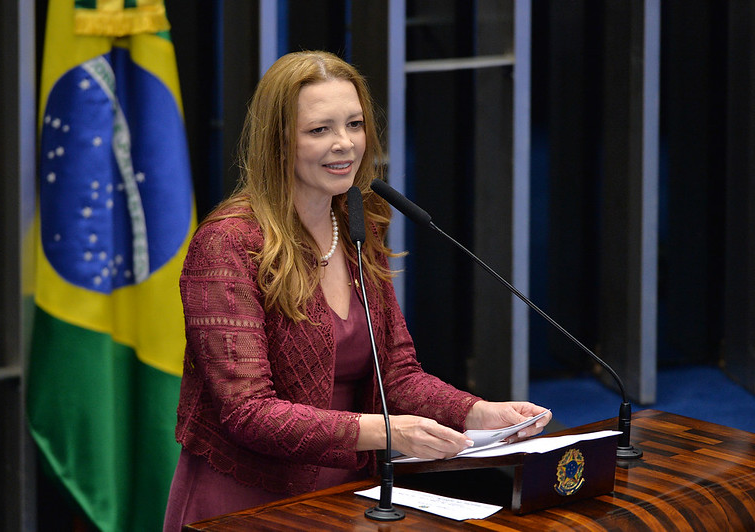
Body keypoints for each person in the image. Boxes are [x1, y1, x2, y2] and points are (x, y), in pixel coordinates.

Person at [163, 50, 551, 530]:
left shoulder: (357, 225)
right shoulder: (228, 244)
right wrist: (386, 431)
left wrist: (478, 412)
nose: (345, 144)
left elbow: (398, 375)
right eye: (319, 130)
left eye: (354, 124)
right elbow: (248, 412)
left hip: (348, 494)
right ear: (278, 141)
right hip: (247, 501)